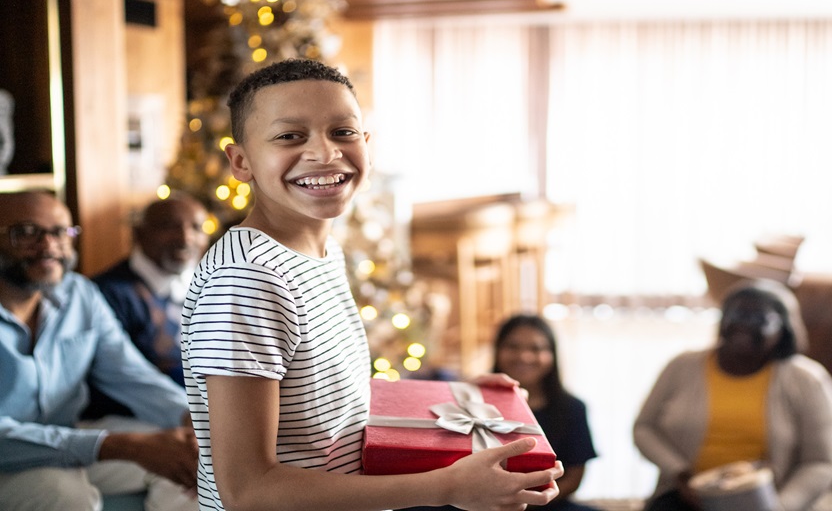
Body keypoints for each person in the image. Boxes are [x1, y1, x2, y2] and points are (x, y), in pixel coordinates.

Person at [179, 58, 562, 511]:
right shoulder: (248, 278)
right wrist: (446, 487)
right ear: (241, 161)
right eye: (289, 136)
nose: (324, 153)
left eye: (342, 132)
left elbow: (327, 405)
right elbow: (247, 491)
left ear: (367, 145)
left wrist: (456, 396)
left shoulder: (318, 251)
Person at [0, 190, 198, 511]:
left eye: (60, 232)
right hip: (8, 457)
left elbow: (130, 375)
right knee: (62, 492)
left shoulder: (81, 295)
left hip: (65, 437)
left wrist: (194, 417)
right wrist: (117, 445)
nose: (49, 245)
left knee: (190, 455)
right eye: (26, 232)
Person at [633, 279, 832, 511]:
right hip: (686, 497)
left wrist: (780, 506)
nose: (743, 326)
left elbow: (822, 462)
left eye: (759, 319)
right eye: (736, 315)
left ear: (785, 327)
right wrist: (680, 473)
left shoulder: (808, 380)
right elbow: (644, 427)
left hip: (768, 501)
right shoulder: (682, 366)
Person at [84, 193, 211, 420]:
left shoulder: (209, 285)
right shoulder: (106, 293)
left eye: (196, 228)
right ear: (139, 234)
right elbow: (122, 376)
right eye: (168, 226)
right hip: (134, 420)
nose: (185, 238)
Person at [493, 314, 599, 511]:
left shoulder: (573, 408)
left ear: (552, 355)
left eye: (536, 348)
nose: (524, 356)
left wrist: (529, 501)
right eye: (513, 347)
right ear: (498, 350)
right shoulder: (473, 403)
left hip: (548, 503)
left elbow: (574, 478)